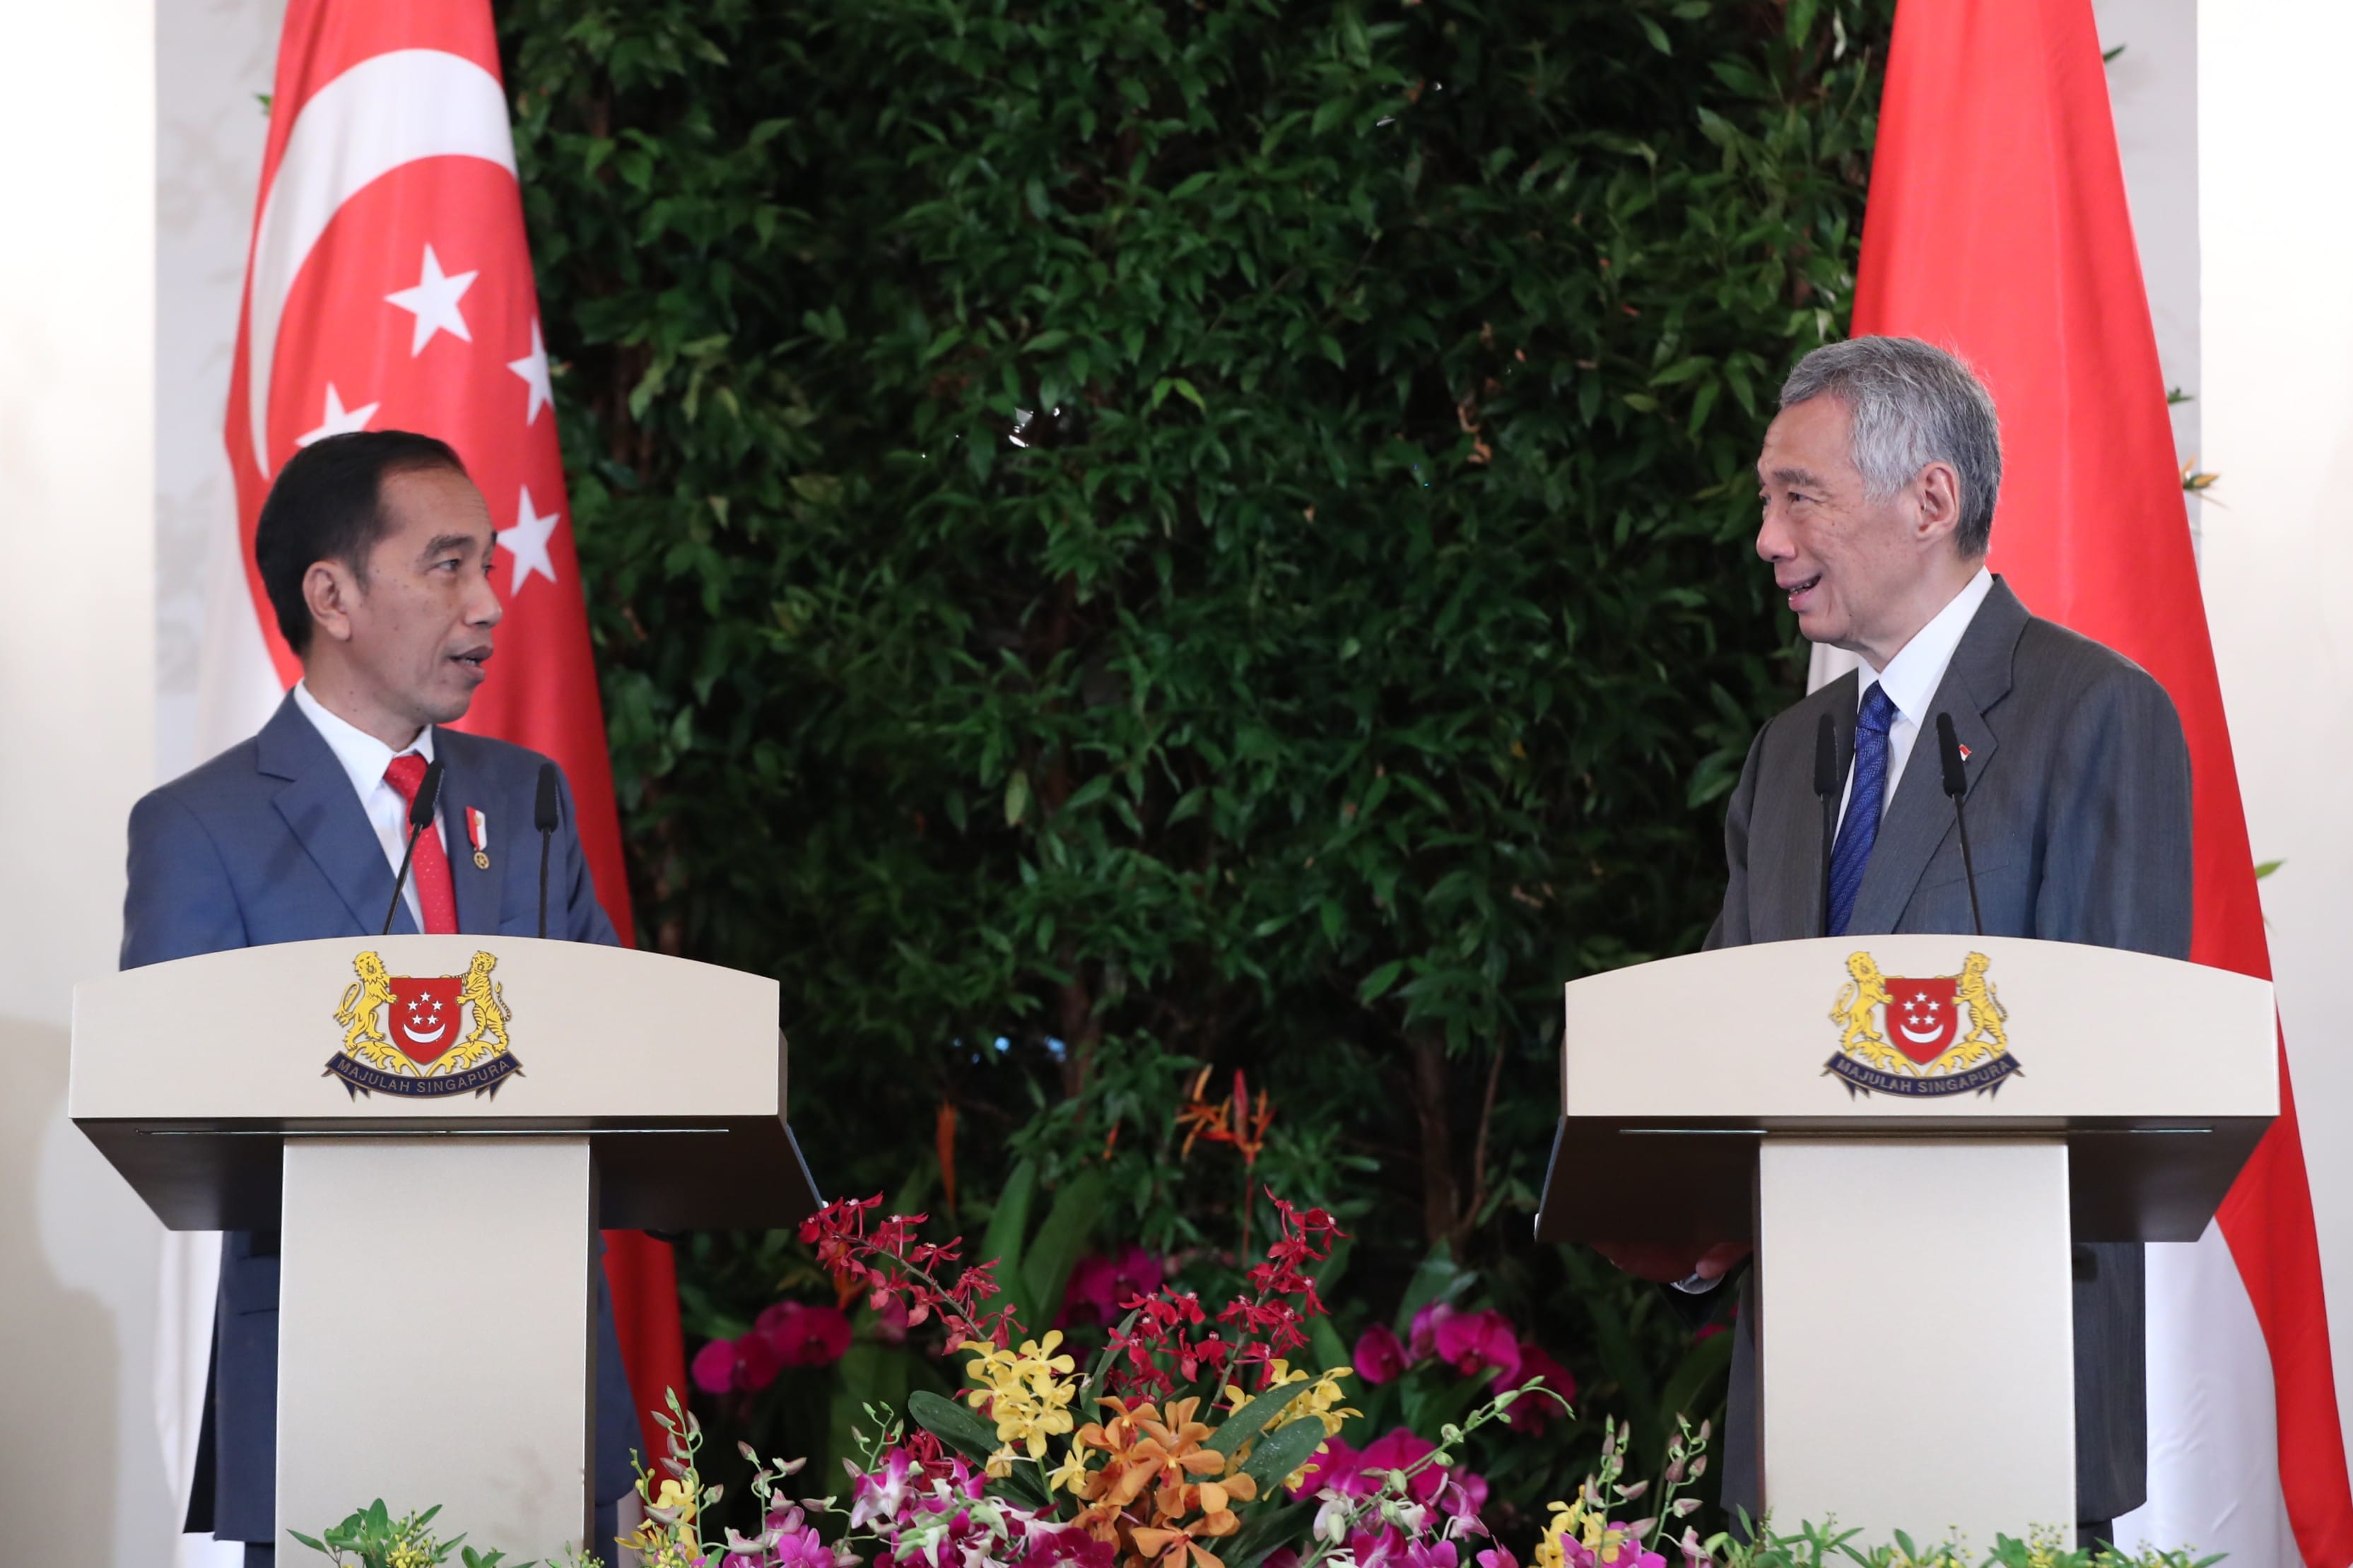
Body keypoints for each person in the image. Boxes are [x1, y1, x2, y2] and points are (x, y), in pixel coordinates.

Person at [1609, 336, 2191, 1545]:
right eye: (1765, 501)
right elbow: (1729, 1045)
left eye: (1797, 496)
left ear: (1930, 500)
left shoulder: (2095, 716)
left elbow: (2126, 1081)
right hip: (1801, 1426)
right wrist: (1690, 1212)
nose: (1765, 540)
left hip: (2005, 1400)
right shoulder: (1787, 755)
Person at [121, 431, 638, 1564]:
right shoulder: (201, 828)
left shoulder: (527, 797)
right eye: (448, 565)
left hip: (545, 1379)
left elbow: (616, 1050)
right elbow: (170, 1104)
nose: (491, 604)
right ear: (332, 595)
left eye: (492, 565)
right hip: (328, 1381)